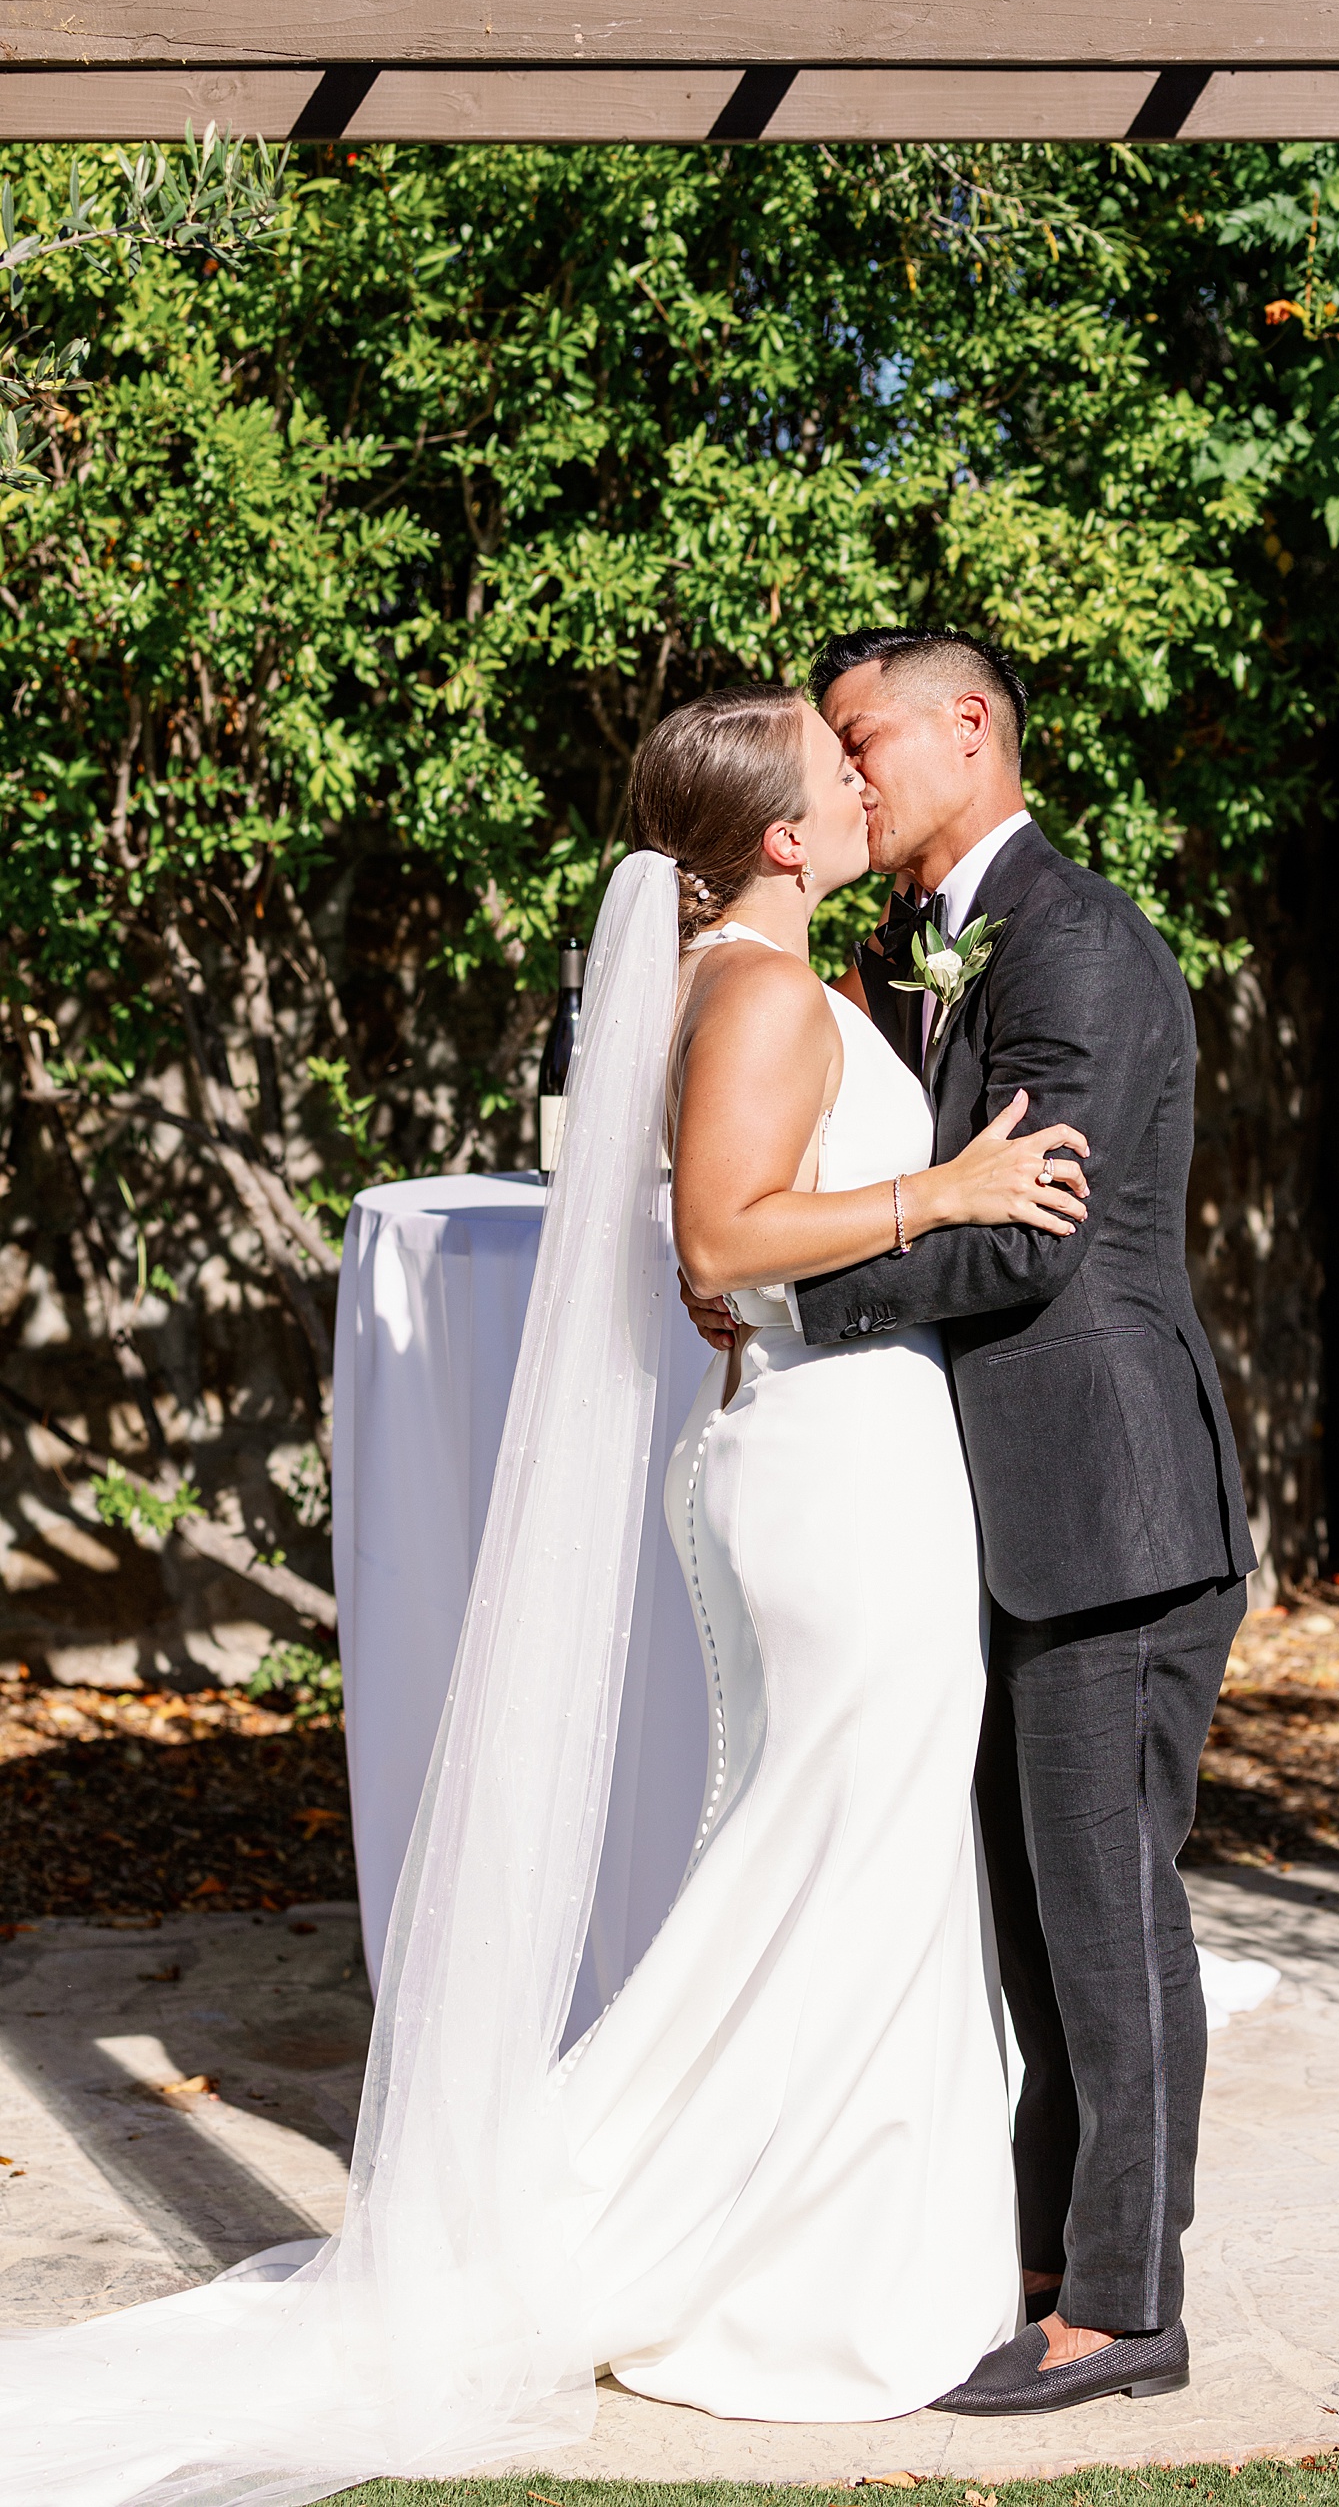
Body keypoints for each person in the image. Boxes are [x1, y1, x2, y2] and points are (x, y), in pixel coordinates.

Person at [0, 683, 1097, 2505]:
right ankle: (740, 2271)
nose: (858, 783)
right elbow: (723, 1237)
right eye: (837, 774)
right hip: (832, 1477)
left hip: (852, 1460)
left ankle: (826, 2253)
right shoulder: (754, 989)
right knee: (842, 1857)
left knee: (847, 1860)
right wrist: (947, 1186)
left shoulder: (771, 983)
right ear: (781, 835)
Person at [683, 629, 1257, 2418]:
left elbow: (1031, 1233)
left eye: (868, 743)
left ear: (971, 728)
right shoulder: (925, 951)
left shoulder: (1073, 940)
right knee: (1033, 1907)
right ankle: (1051, 2246)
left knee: (1104, 1903)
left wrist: (793, 1303)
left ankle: (1123, 2307)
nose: (852, 779)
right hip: (999, 1509)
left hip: (1110, 1500)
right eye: (831, 756)